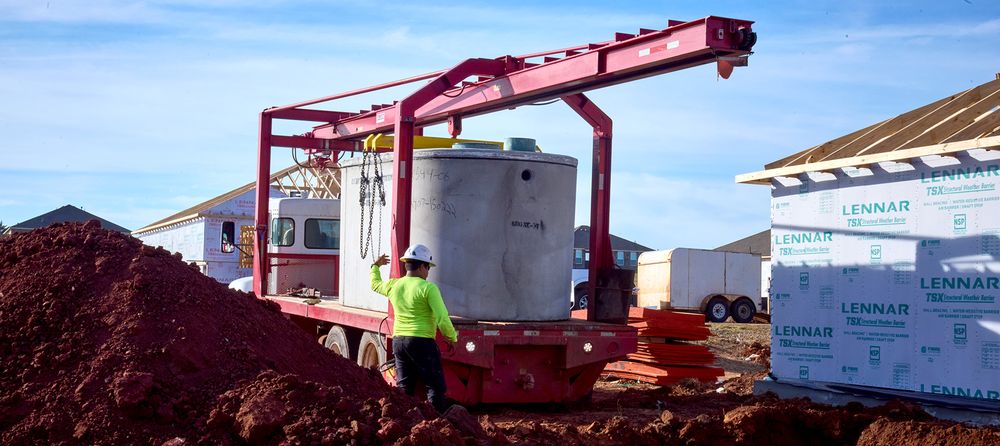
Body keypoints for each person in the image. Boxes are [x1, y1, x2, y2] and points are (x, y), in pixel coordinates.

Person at [370, 244, 457, 414]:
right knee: (435, 387)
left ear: (406, 265)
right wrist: (451, 337)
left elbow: (375, 284)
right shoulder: (428, 288)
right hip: (422, 341)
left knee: (404, 387)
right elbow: (442, 317)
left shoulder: (394, 285)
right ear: (422, 266)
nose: (428, 272)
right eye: (428, 268)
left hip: (399, 341)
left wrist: (375, 266)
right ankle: (435, 424)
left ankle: (404, 422)